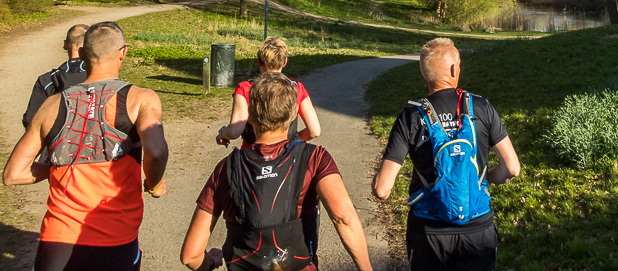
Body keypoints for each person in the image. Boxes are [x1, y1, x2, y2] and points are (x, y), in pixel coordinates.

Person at [3, 21, 169, 271]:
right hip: (115, 238)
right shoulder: (140, 98)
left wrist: (62, 164)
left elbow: (13, 175)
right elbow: (156, 152)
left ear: (80, 54)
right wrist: (154, 183)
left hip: (57, 239)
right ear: (123, 53)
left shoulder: (51, 105)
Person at [181, 71, 373, 271]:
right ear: (293, 115)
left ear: (250, 116)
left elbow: (190, 255)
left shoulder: (226, 168)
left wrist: (210, 261)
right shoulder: (314, 158)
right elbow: (344, 218)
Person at [373, 37, 521, 271]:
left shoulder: (410, 117)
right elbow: (512, 168)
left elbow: (382, 189)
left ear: (425, 73)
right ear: (454, 69)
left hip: (429, 232)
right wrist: (484, 178)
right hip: (477, 229)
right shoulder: (482, 108)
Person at [216, 36, 321, 147]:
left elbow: (234, 131)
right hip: (287, 157)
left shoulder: (245, 89)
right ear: (285, 62)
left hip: (252, 157)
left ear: (259, 61)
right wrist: (292, 142)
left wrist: (223, 133)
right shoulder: (296, 88)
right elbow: (314, 131)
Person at [22, 23, 89, 128]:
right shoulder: (99, 76)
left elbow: (30, 119)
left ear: (64, 45)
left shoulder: (47, 80)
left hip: (57, 141)